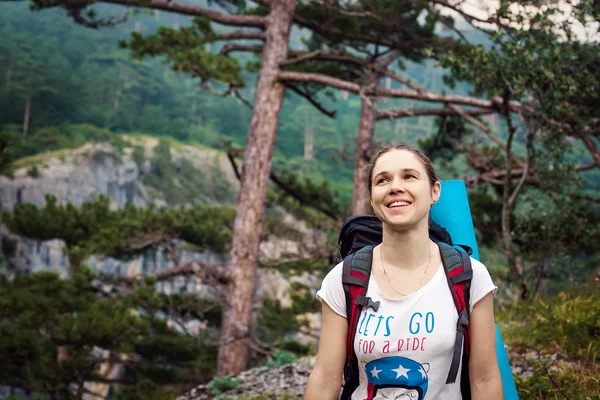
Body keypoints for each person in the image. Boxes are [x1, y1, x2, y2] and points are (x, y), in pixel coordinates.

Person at [303, 144, 503, 400]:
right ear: (372, 196)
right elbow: (325, 379)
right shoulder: (344, 279)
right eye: (382, 180)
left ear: (434, 191)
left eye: (409, 176)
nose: (395, 187)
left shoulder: (469, 275)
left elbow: (485, 379)